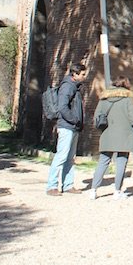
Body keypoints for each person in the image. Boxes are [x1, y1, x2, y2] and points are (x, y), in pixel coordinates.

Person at [88, 78, 133, 200]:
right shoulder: (128, 99)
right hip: (124, 135)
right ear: (126, 85)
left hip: (107, 134)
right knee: (121, 162)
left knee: (103, 162)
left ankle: (93, 190)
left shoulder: (104, 99)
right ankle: (117, 192)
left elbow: (96, 118)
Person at [46, 61, 88, 196]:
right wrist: (74, 120)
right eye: (82, 74)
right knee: (61, 156)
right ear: (74, 74)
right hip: (66, 126)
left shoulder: (74, 86)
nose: (84, 76)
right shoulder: (67, 87)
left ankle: (68, 184)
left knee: (70, 157)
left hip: (73, 127)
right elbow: (62, 107)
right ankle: (51, 186)